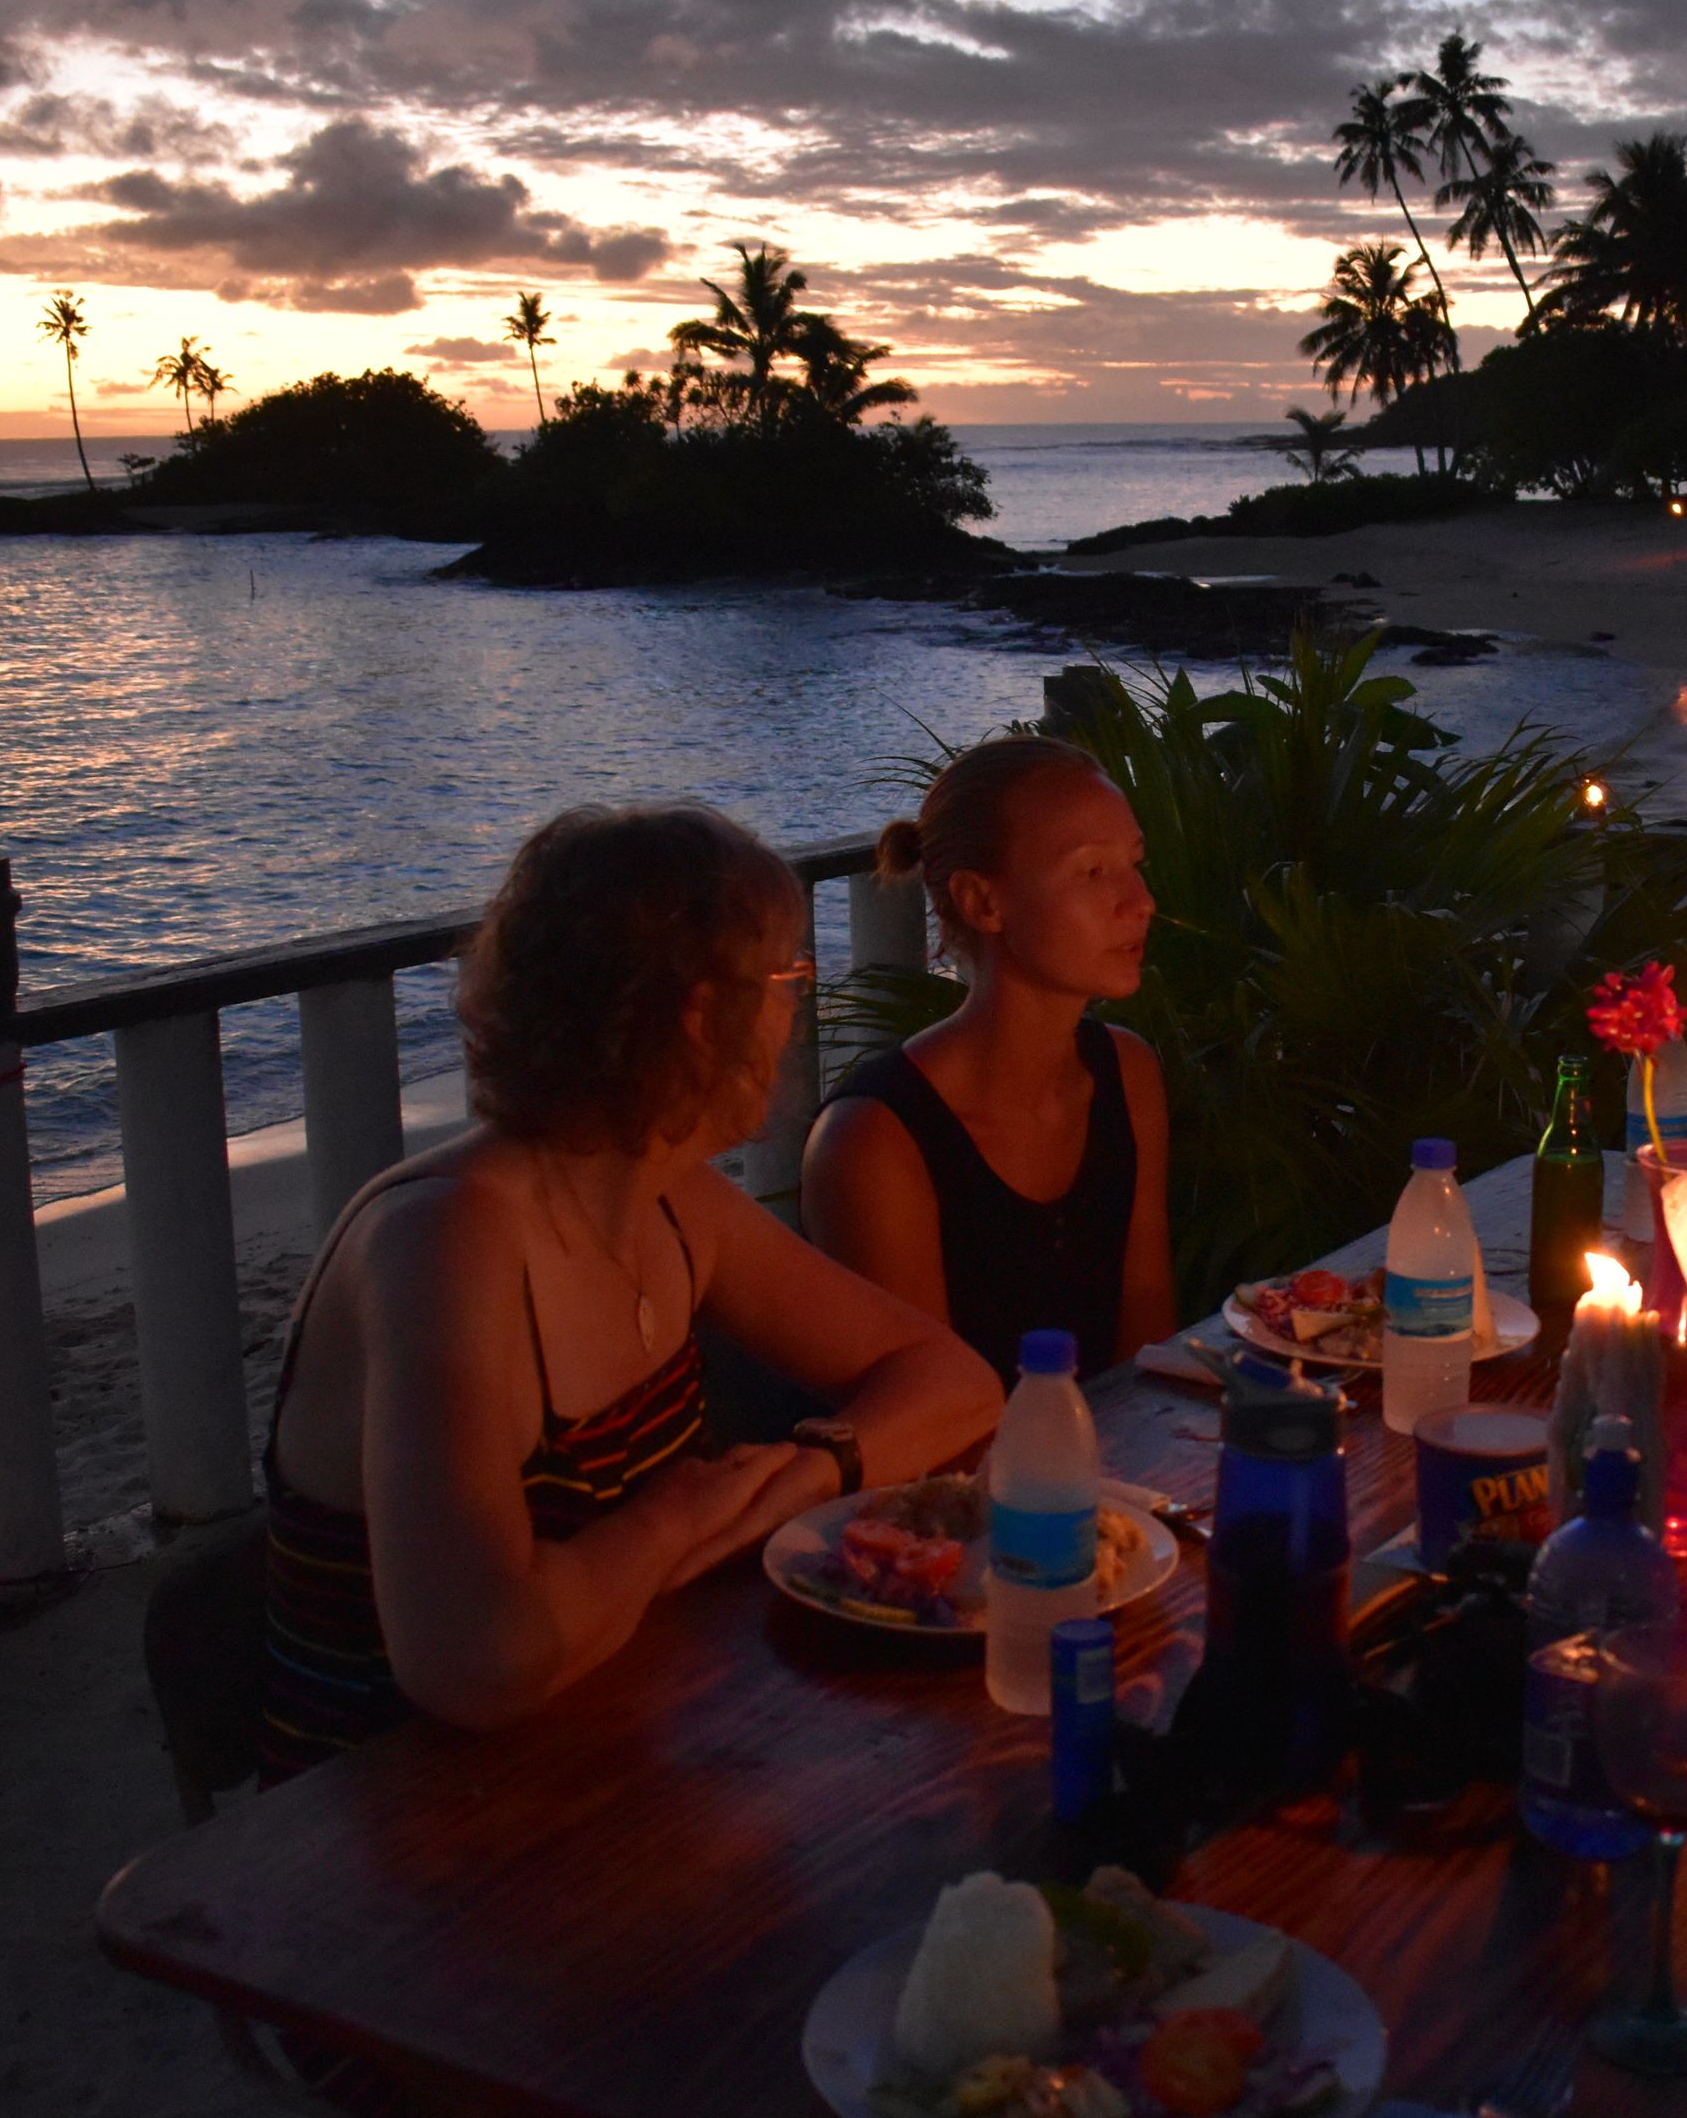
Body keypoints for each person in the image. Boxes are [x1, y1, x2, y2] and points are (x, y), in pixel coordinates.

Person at [259, 804, 995, 1786]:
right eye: (786, 981)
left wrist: (813, 1470)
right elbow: (476, 1661)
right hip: (404, 1827)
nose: (794, 1014)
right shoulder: (447, 1244)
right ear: (700, 1016)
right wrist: (675, 1521)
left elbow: (953, 1380)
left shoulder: (676, 1202)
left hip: (621, 1747)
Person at [805, 735, 1176, 1382]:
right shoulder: (875, 1141)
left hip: (1122, 1446)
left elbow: (1146, 1340)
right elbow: (927, 1406)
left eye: (1134, 863)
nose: (1140, 901)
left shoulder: (1127, 1073)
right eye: (1093, 872)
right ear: (982, 902)